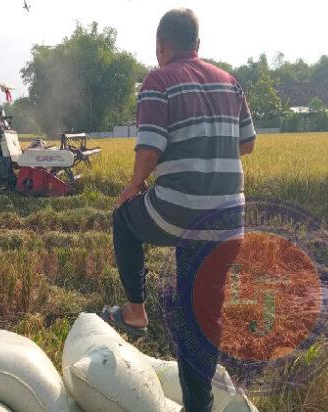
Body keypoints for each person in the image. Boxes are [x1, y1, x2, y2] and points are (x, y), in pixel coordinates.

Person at [101, 9, 255, 412]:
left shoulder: (158, 79)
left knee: (124, 220)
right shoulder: (230, 81)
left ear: (160, 46)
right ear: (198, 45)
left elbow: (149, 147)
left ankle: (135, 311)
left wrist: (134, 187)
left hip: (178, 211)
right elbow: (247, 143)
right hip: (227, 222)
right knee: (200, 320)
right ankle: (197, 407)